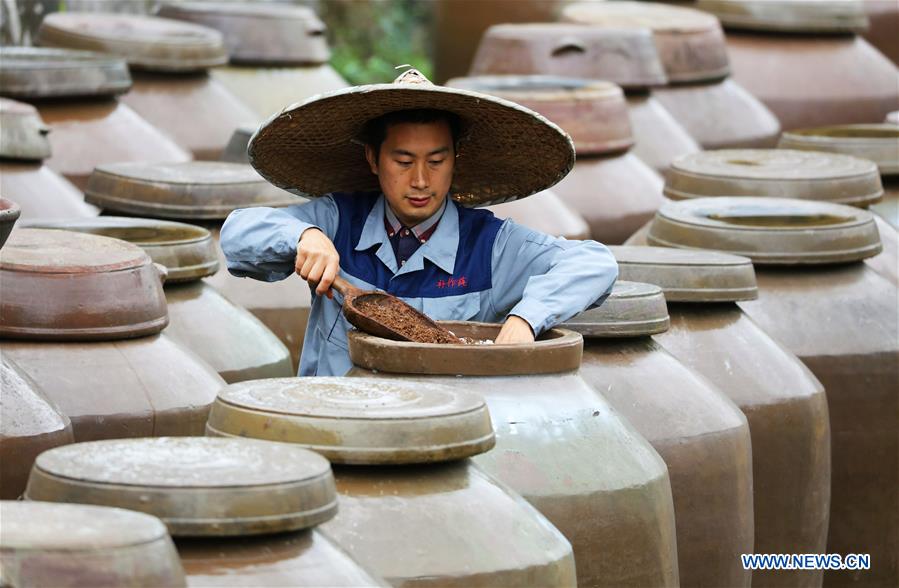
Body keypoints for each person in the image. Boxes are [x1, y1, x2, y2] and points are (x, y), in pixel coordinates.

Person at [221, 69, 618, 376]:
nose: (421, 180)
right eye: (404, 161)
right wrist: (303, 235)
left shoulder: (489, 246)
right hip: (333, 431)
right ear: (374, 159)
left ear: (455, 160)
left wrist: (525, 319)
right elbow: (238, 234)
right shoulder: (337, 221)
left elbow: (594, 263)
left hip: (439, 447)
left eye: (437, 161)